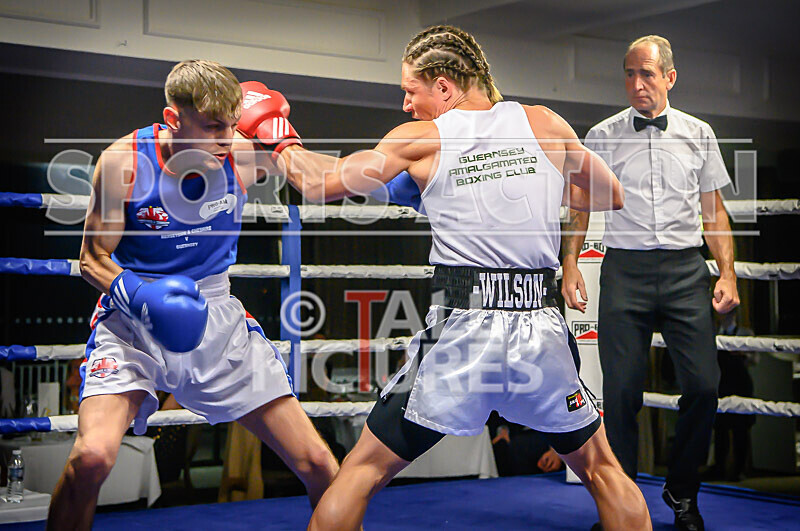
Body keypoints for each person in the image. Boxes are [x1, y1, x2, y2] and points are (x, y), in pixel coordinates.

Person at [238, 25, 651, 530]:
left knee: (362, 471)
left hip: (464, 331)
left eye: (412, 91)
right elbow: (610, 193)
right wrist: (532, 198)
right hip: (540, 328)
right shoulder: (543, 122)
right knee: (603, 470)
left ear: (443, 85)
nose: (407, 105)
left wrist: (279, 138)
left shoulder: (424, 138)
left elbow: (320, 184)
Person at [47, 60, 339, 530]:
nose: (225, 138)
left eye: (232, 123)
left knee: (319, 464)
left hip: (218, 318)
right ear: (172, 118)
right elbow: (92, 258)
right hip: (132, 320)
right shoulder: (124, 162)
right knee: (91, 459)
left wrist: (285, 138)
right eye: (212, 126)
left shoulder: (243, 154)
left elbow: (321, 181)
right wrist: (140, 294)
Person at [561, 35, 739, 531]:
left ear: (669, 78)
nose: (637, 83)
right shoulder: (602, 135)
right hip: (626, 271)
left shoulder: (699, 133)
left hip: (685, 271)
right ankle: (623, 508)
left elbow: (714, 212)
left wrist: (727, 271)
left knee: (704, 387)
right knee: (619, 395)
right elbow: (579, 205)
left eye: (647, 74)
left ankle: (683, 494)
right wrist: (570, 264)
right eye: (630, 74)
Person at [711, 310, 755, 481]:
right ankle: (719, 468)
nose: (725, 317)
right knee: (720, 428)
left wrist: (742, 353)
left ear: (735, 314)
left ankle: (739, 470)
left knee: (741, 429)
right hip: (721, 383)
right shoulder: (714, 333)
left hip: (741, 383)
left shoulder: (745, 333)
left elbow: (755, 358)